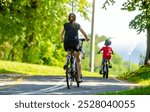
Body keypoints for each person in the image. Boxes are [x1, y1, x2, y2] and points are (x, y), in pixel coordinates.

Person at [60, 13, 89, 82]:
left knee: (69, 51)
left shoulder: (65, 25)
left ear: (68, 18)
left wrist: (62, 39)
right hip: (75, 43)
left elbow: (61, 34)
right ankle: (78, 78)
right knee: (78, 60)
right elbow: (84, 33)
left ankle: (67, 61)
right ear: (75, 18)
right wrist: (87, 38)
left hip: (67, 43)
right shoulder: (77, 25)